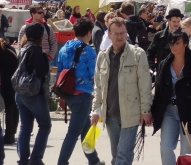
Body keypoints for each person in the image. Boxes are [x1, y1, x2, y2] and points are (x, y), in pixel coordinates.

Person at [91, 17, 153, 165]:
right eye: (116, 33)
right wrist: (95, 110)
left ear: (127, 34)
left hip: (130, 113)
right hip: (110, 114)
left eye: (122, 33)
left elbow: (145, 85)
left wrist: (146, 110)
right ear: (109, 35)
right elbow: (98, 86)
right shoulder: (102, 56)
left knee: (123, 156)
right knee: (116, 155)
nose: (120, 36)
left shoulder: (138, 54)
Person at [151, 30, 191, 165]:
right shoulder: (164, 64)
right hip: (169, 111)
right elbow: (159, 92)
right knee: (165, 147)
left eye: (177, 43)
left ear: (185, 44)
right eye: (171, 43)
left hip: (190, 111)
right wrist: (152, 113)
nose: (173, 46)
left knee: (187, 150)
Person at [56, 17, 105, 165]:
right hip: (83, 96)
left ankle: (94, 160)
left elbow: (59, 73)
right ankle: (62, 162)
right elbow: (94, 74)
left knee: (84, 129)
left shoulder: (64, 48)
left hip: (68, 93)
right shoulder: (89, 51)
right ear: (89, 33)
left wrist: (61, 96)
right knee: (73, 133)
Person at [15, 23, 51, 165]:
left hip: (20, 93)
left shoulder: (23, 48)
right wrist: (44, 58)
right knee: (45, 125)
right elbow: (42, 71)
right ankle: (35, 159)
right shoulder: (36, 51)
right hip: (34, 93)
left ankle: (23, 160)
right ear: (40, 36)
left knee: (25, 126)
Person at [0, 37, 18, 145]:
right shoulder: (11, 50)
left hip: (2, 83)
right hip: (12, 83)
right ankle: (10, 135)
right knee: (11, 109)